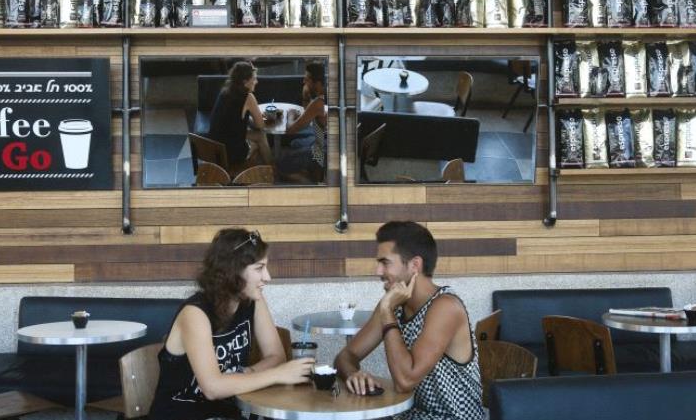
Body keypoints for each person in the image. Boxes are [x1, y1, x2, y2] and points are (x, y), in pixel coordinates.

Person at [149, 229, 315, 420]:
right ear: (233, 272)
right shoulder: (195, 313)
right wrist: (277, 375)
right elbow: (212, 388)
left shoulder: (253, 300)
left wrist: (247, 373)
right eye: (259, 268)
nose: (267, 277)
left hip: (225, 413)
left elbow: (276, 356)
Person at [334, 221, 485, 420]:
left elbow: (405, 381)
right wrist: (353, 374)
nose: (377, 271)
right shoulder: (392, 304)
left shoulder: (445, 307)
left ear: (415, 265)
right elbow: (345, 356)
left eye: (385, 262)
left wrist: (387, 312)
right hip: (411, 415)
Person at [208, 62, 273, 167]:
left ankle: (255, 170)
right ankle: (271, 170)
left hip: (215, 148)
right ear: (245, 81)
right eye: (254, 79)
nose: (256, 82)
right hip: (230, 153)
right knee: (261, 137)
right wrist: (264, 118)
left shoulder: (225, 92)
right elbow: (260, 126)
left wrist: (253, 119)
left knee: (254, 136)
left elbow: (235, 120)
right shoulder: (248, 97)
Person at [277, 61, 327, 183]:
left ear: (318, 83)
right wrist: (305, 95)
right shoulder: (326, 94)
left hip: (322, 150)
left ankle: (313, 184)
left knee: (278, 166)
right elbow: (308, 114)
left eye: (307, 79)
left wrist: (290, 114)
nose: (304, 82)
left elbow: (290, 130)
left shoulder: (318, 103)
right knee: (295, 143)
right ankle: (312, 169)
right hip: (325, 140)